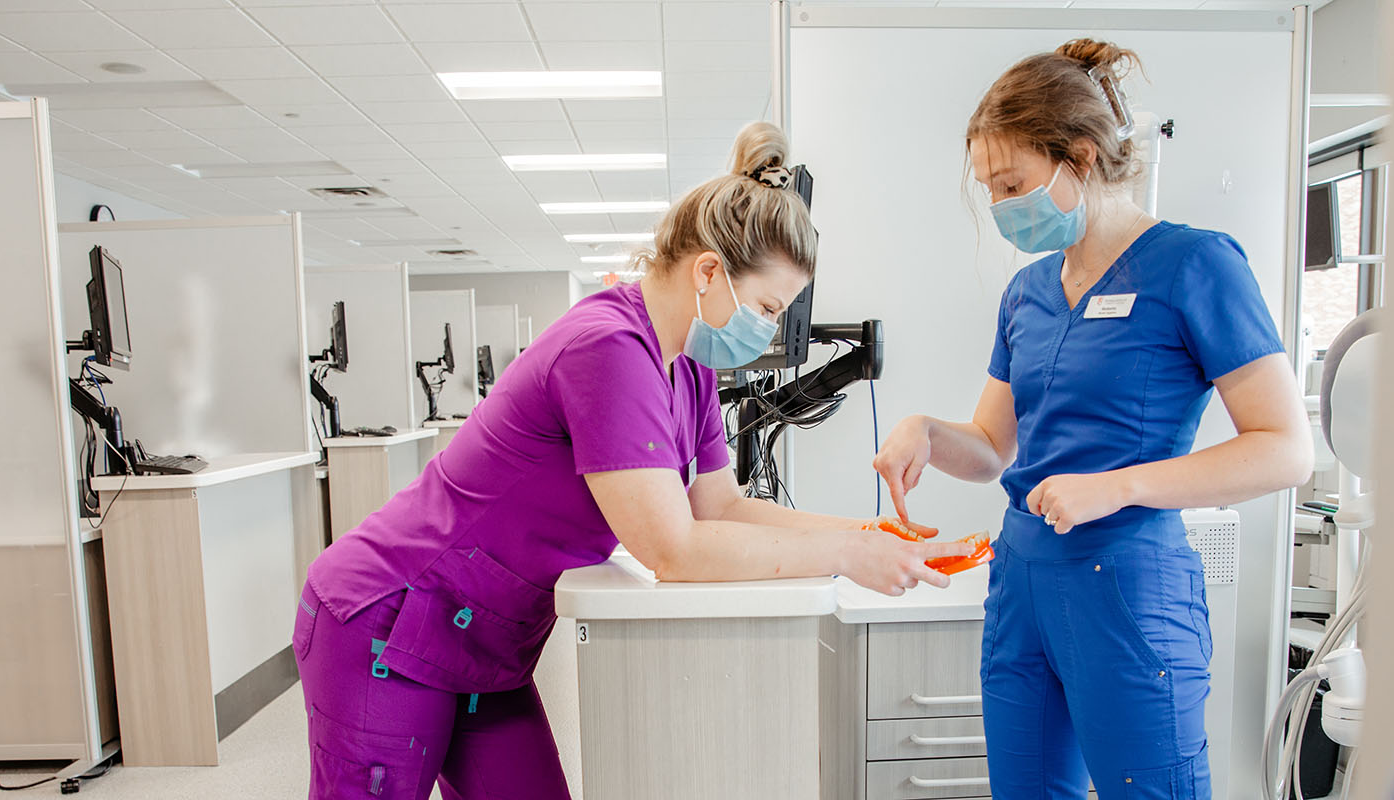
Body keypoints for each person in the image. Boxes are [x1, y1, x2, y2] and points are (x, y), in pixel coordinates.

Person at [295, 121, 969, 800]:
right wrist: (845, 557)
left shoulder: (692, 367)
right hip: (389, 616)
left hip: (485, 640)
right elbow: (671, 550)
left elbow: (721, 507)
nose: (766, 330)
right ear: (709, 272)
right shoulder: (608, 348)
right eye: (766, 307)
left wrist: (865, 533)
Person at [873, 40, 1313, 800]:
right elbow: (990, 448)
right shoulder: (1029, 292)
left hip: (1127, 583)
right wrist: (928, 433)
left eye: (1013, 184)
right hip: (1023, 585)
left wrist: (1116, 488)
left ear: (1079, 157)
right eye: (990, 191)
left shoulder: (1195, 264)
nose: (1003, 207)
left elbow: (1285, 451)